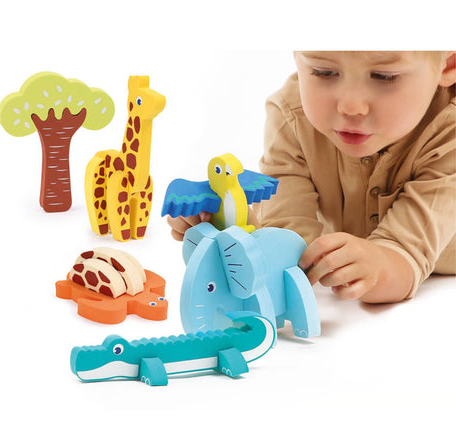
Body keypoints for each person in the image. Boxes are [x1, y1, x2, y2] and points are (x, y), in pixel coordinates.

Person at [167, 51, 456, 304]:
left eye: (384, 76)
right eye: (324, 72)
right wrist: (235, 228)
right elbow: (287, 241)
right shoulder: (291, 115)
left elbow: (404, 256)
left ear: (448, 64)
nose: (350, 106)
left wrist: (378, 266)